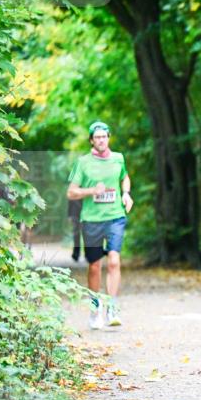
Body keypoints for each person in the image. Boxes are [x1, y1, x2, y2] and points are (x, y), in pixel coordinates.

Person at [66, 121, 133, 329]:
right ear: (91, 141)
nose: (101, 140)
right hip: (91, 220)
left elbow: (125, 177)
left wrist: (126, 194)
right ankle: (95, 309)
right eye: (97, 137)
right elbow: (71, 192)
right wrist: (92, 191)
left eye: (104, 137)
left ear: (108, 138)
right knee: (95, 266)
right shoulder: (83, 163)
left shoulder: (118, 158)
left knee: (114, 260)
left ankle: (112, 307)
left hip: (115, 217)